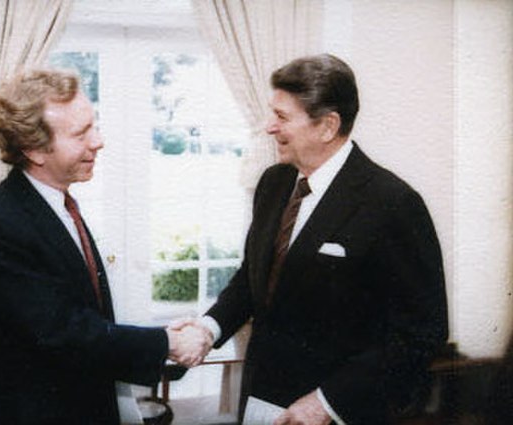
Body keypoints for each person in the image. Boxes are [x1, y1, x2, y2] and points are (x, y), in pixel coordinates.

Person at [175, 54, 448, 424]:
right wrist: (208, 330)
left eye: (282, 117)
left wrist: (326, 402)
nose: (269, 127)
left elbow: (420, 333)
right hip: (259, 398)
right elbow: (253, 278)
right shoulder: (273, 184)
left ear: (327, 125)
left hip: (335, 411)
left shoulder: (394, 204)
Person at [0, 69, 211, 425]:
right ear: (34, 149)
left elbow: (80, 315)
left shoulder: (56, 204)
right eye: (81, 134)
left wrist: (161, 337)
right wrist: (166, 342)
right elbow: (61, 333)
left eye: (93, 126)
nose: (98, 141)